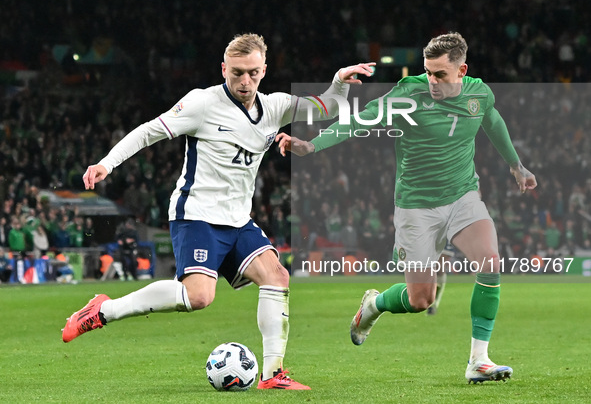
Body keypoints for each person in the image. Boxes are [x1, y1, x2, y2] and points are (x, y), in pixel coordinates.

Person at [61, 33, 374, 390]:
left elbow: (328, 107)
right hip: (197, 214)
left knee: (277, 277)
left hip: (238, 219)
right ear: (224, 68)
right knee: (199, 297)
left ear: (264, 70)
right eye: (237, 72)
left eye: (253, 73)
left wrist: (339, 83)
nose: (245, 81)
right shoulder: (202, 103)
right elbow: (149, 132)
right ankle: (103, 310)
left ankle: (273, 375)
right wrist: (107, 163)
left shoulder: (276, 106)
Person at [276, 32, 537, 383]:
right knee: (420, 300)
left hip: (463, 196)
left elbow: (492, 121)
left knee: (490, 262)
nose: (431, 81)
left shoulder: (479, 93)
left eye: (440, 74)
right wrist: (312, 145)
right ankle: (374, 305)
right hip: (416, 207)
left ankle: (479, 360)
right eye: (427, 72)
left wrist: (515, 165)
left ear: (462, 71)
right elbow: (359, 120)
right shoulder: (407, 94)